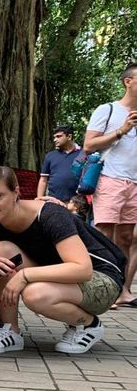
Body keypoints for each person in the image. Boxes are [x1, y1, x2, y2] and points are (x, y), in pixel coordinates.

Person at [0, 166, 124, 355]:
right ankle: (10, 331)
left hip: (101, 279)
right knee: (0, 252)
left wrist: (25, 275)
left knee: (35, 294)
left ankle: (89, 325)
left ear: (16, 193)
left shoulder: (50, 216)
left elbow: (83, 269)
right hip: (60, 277)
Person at [83, 62, 137, 308]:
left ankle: (123, 290)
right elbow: (88, 145)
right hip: (111, 179)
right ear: (129, 81)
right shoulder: (108, 110)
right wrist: (122, 130)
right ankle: (103, 287)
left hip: (135, 182)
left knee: (126, 236)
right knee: (104, 233)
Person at [36, 124, 82, 202]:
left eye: (58, 136)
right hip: (53, 200)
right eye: (54, 137)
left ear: (69, 137)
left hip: (76, 203)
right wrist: (39, 199)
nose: (55, 140)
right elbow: (43, 179)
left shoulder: (83, 154)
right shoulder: (50, 156)